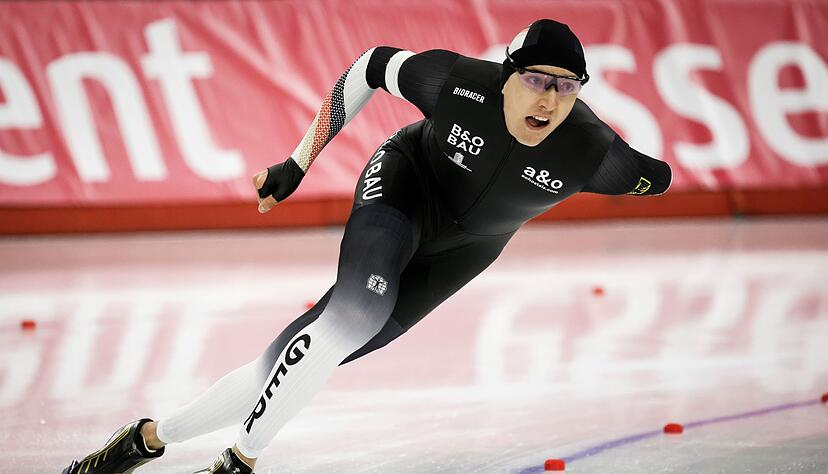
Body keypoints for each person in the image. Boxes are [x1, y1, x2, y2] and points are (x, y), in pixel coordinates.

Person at [63, 19, 671, 474]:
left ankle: (142, 441)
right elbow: (369, 65)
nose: (549, 100)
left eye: (568, 88)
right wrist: (298, 163)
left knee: (287, 363)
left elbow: (657, 177)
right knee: (350, 319)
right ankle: (238, 464)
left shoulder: (594, 152)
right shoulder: (458, 84)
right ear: (507, 73)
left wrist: (654, 174)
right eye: (537, 81)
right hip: (404, 187)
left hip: (464, 251)